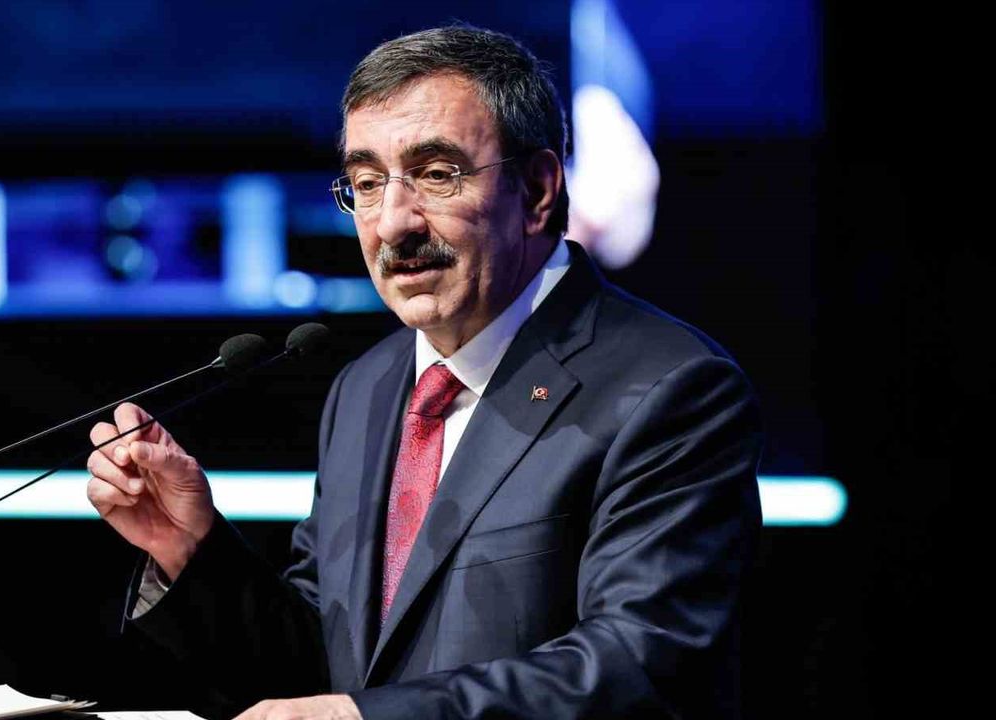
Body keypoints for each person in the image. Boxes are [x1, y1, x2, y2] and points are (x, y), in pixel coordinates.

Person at [86, 26, 761, 720]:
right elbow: (322, 668)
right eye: (366, 184)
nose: (392, 224)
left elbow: (640, 665)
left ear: (537, 190)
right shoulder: (367, 388)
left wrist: (364, 719)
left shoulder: (670, 389)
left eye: (437, 175)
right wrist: (191, 549)